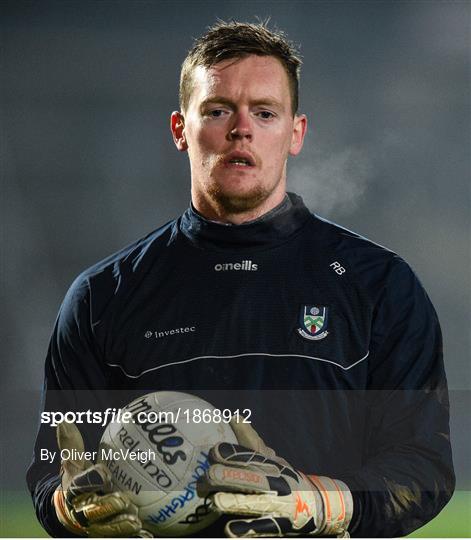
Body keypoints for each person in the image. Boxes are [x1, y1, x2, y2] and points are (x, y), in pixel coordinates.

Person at [27, 21, 455, 538]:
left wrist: (317, 503)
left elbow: (424, 469)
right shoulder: (102, 297)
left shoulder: (381, 285)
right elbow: (53, 469)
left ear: (295, 133)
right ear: (180, 129)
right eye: (217, 110)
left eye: (265, 112)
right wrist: (70, 506)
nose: (241, 129)